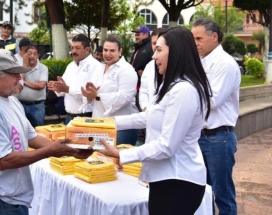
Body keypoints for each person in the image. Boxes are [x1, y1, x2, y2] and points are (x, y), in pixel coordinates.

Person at [100, 27, 211, 215]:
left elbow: (167, 146)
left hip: (178, 181)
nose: (153, 57)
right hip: (166, 179)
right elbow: (150, 116)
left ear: (176, 52)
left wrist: (121, 154)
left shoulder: (184, 91)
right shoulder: (172, 85)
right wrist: (110, 123)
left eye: (159, 50)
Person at [0, 49, 91, 215]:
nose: (20, 78)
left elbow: (30, 136)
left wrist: (71, 150)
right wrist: (50, 151)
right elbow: (3, 161)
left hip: (12, 198)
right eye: (14, 74)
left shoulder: (10, 100)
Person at [191, 18, 241, 215]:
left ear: (214, 37)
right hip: (201, 137)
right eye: (193, 38)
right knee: (202, 193)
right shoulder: (201, 62)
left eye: (199, 38)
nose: (195, 43)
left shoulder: (225, 64)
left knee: (223, 196)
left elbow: (210, 101)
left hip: (218, 138)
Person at [81, 36, 139, 145]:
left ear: (120, 51)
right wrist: (88, 95)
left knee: (119, 160)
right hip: (99, 123)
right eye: (105, 50)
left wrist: (97, 96)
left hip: (121, 126)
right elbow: (92, 92)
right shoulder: (98, 68)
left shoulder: (127, 70)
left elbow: (125, 97)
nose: (108, 54)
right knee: (100, 158)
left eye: (112, 50)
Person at [47, 34, 102, 125]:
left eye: (77, 48)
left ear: (87, 49)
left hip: (87, 118)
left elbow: (90, 95)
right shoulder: (71, 66)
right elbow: (63, 92)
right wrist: (58, 88)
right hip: (69, 117)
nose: (73, 51)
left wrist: (67, 89)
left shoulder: (96, 66)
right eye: (72, 48)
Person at [17, 45, 48, 127]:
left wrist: (24, 82)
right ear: (25, 55)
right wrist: (24, 65)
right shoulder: (19, 67)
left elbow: (41, 85)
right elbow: (17, 83)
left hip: (37, 106)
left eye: (35, 54)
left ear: (38, 55)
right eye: (29, 54)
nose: (32, 56)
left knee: (38, 130)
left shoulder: (43, 68)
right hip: (20, 105)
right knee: (21, 130)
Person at [139, 28, 162, 112]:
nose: (156, 46)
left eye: (159, 43)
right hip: (148, 116)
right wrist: (145, 108)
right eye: (154, 43)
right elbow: (143, 91)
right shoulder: (149, 66)